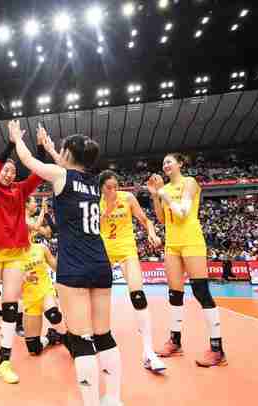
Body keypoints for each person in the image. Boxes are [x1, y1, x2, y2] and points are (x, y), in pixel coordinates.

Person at [12, 121, 122, 406]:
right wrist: (51, 148)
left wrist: (16, 139)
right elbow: (70, 167)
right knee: (104, 336)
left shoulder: (61, 176)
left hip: (74, 266)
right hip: (100, 262)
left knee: (81, 339)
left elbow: (28, 161)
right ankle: (113, 398)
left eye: (62, 149)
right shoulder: (93, 182)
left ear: (68, 154)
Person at [0, 122, 44, 384]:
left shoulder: (20, 190)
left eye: (13, 171)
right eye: (5, 169)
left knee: (11, 306)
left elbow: (37, 175)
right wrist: (11, 145)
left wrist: (40, 149)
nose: (9, 173)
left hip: (16, 255)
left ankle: (4, 361)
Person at [147, 153, 227, 367]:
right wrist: (155, 196)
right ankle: (175, 341)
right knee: (174, 294)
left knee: (201, 292)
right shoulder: (165, 190)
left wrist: (163, 193)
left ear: (180, 164)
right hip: (172, 244)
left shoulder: (189, 183)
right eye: (163, 162)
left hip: (191, 241)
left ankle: (217, 349)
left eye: (169, 161)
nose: (165, 165)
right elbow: (162, 219)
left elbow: (183, 212)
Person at [99, 170, 166, 373]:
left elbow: (146, 220)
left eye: (115, 186)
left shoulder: (127, 198)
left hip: (127, 251)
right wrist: (108, 209)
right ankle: (102, 350)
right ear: (101, 188)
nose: (113, 190)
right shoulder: (95, 202)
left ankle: (148, 352)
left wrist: (152, 233)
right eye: (109, 187)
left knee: (138, 295)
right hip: (103, 253)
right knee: (101, 300)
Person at [21, 215, 65, 356]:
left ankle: (74, 343)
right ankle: (50, 337)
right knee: (34, 349)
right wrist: (22, 276)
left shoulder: (41, 248)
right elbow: (7, 279)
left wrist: (62, 246)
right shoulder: (12, 255)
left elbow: (57, 268)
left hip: (45, 292)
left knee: (54, 315)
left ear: (30, 233)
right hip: (29, 300)